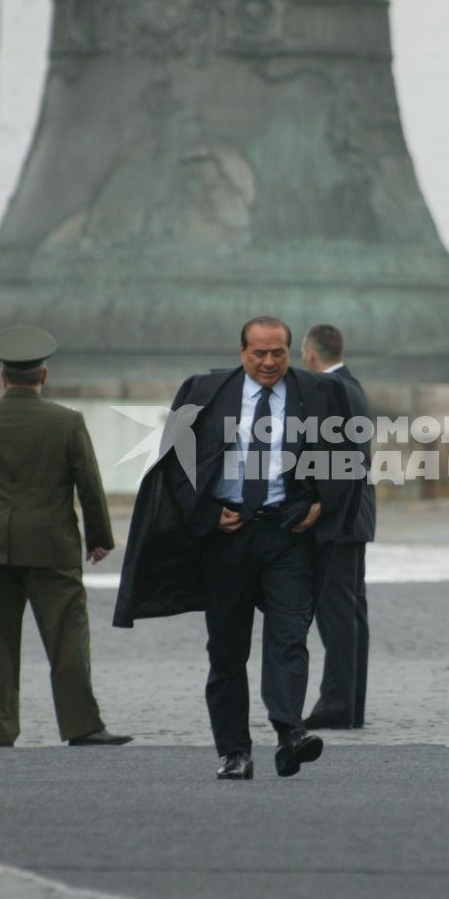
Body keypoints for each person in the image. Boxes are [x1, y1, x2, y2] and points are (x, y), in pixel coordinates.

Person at [114, 315, 359, 780]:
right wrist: (206, 516)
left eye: (278, 353)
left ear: (291, 350)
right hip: (227, 537)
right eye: (259, 354)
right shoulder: (203, 392)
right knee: (227, 651)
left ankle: (291, 734)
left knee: (290, 637)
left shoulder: (322, 394)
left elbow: (348, 456)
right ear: (241, 352)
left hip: (287, 534)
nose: (269, 363)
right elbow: (174, 465)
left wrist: (322, 503)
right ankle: (235, 752)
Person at [0, 325, 131, 750]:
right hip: (51, 544)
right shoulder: (67, 422)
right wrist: (99, 537)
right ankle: (81, 725)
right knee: (67, 638)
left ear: (3, 378)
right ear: (44, 377)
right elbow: (89, 486)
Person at [300, 324, 374, 729]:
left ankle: (337, 705)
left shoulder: (331, 390)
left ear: (310, 353)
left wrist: (318, 507)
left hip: (338, 519)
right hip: (355, 515)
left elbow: (336, 459)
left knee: (337, 616)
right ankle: (350, 704)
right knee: (350, 613)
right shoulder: (353, 386)